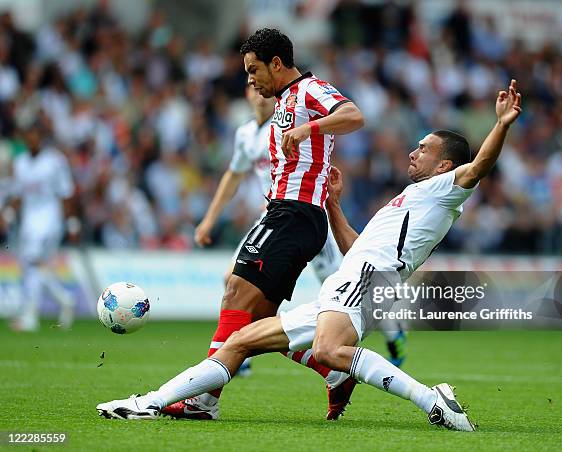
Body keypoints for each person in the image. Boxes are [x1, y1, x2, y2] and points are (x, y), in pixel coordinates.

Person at [96, 80, 522, 431]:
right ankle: (150, 402)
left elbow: (480, 166)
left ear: (445, 165)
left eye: (424, 148)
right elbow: (354, 247)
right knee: (242, 339)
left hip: (368, 281)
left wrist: (500, 125)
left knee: (330, 349)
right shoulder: (415, 196)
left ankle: (432, 400)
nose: (414, 151)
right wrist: (334, 205)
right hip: (355, 277)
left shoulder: (446, 190)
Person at [161, 28, 365, 421]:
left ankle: (203, 400)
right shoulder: (284, 101)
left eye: (254, 70)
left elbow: (354, 115)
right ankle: (331, 372)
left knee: (234, 291)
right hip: (293, 216)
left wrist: (310, 129)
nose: (250, 80)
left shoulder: (310, 89)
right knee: (258, 324)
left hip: (294, 212)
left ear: (276, 63)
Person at [7, 117, 76, 332]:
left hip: (49, 220)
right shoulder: (20, 163)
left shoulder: (55, 161)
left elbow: (66, 193)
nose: (32, 140)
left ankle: (30, 317)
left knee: (33, 262)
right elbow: (18, 195)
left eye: (35, 136)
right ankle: (65, 299)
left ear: (42, 138)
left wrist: (72, 223)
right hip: (29, 221)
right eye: (28, 136)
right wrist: (8, 214)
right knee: (31, 266)